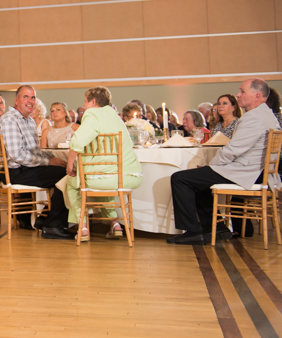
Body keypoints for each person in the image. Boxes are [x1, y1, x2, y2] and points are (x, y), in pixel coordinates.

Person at [168, 78, 278, 245]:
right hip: (259, 172)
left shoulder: (253, 118)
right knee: (199, 179)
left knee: (180, 178)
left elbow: (232, 150)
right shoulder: (267, 115)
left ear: (257, 96)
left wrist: (211, 166)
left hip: (246, 172)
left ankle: (193, 231)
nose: (238, 95)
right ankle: (217, 228)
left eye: (242, 91)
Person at [64, 87, 141, 240]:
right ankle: (115, 224)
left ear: (93, 101)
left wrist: (70, 163)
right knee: (102, 179)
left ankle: (83, 227)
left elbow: (78, 141)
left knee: (72, 183)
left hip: (107, 177)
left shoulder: (93, 113)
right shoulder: (113, 114)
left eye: (85, 101)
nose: (84, 105)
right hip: (131, 175)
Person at [0, 85, 71, 238]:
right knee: (67, 174)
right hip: (14, 172)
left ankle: (45, 220)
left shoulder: (28, 121)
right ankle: (52, 225)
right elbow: (17, 155)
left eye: (33, 97)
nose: (30, 101)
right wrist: (49, 163)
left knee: (66, 170)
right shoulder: (10, 120)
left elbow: (35, 151)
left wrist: (51, 159)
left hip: (25, 168)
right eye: (26, 97)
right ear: (16, 100)